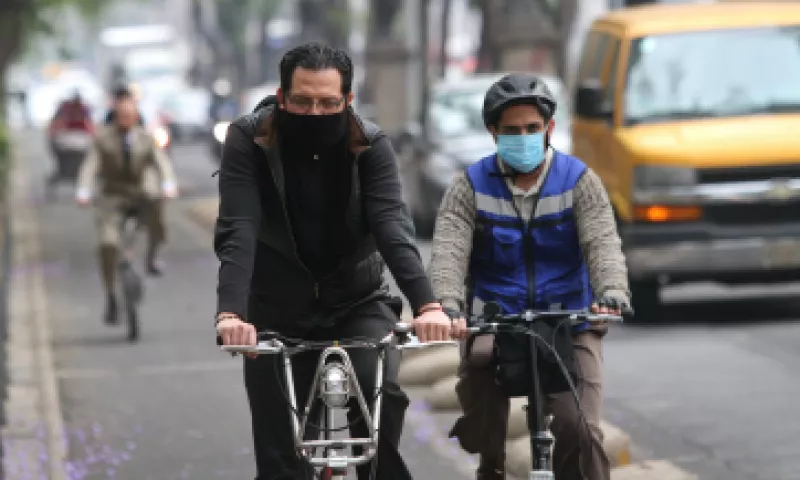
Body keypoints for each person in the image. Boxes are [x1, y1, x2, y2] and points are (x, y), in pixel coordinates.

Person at [213, 42, 454, 480]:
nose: (314, 113)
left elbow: (392, 229)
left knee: (376, 396)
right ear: (281, 97)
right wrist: (231, 312)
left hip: (357, 300)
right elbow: (238, 229)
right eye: (302, 102)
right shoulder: (248, 140)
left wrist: (427, 304)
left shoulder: (371, 144)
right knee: (280, 457)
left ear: (348, 100)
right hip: (275, 306)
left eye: (328, 103)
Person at [428, 73, 631, 480]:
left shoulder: (580, 181)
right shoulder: (468, 186)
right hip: (495, 317)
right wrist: (447, 305)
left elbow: (602, 243)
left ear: (549, 128)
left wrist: (611, 291)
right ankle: (491, 465)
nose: (523, 137)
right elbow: (449, 251)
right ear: (493, 133)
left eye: (532, 128)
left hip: (570, 319)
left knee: (581, 429)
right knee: (480, 369)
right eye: (512, 130)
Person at [76, 90, 178, 324]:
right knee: (108, 244)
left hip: (140, 195)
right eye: (121, 115)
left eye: (129, 115)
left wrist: (169, 184)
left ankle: (151, 259)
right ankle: (111, 293)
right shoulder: (102, 139)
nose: (125, 120)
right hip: (111, 199)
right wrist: (83, 191)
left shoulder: (146, 138)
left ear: (136, 116)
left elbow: (161, 162)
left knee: (158, 217)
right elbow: (89, 166)